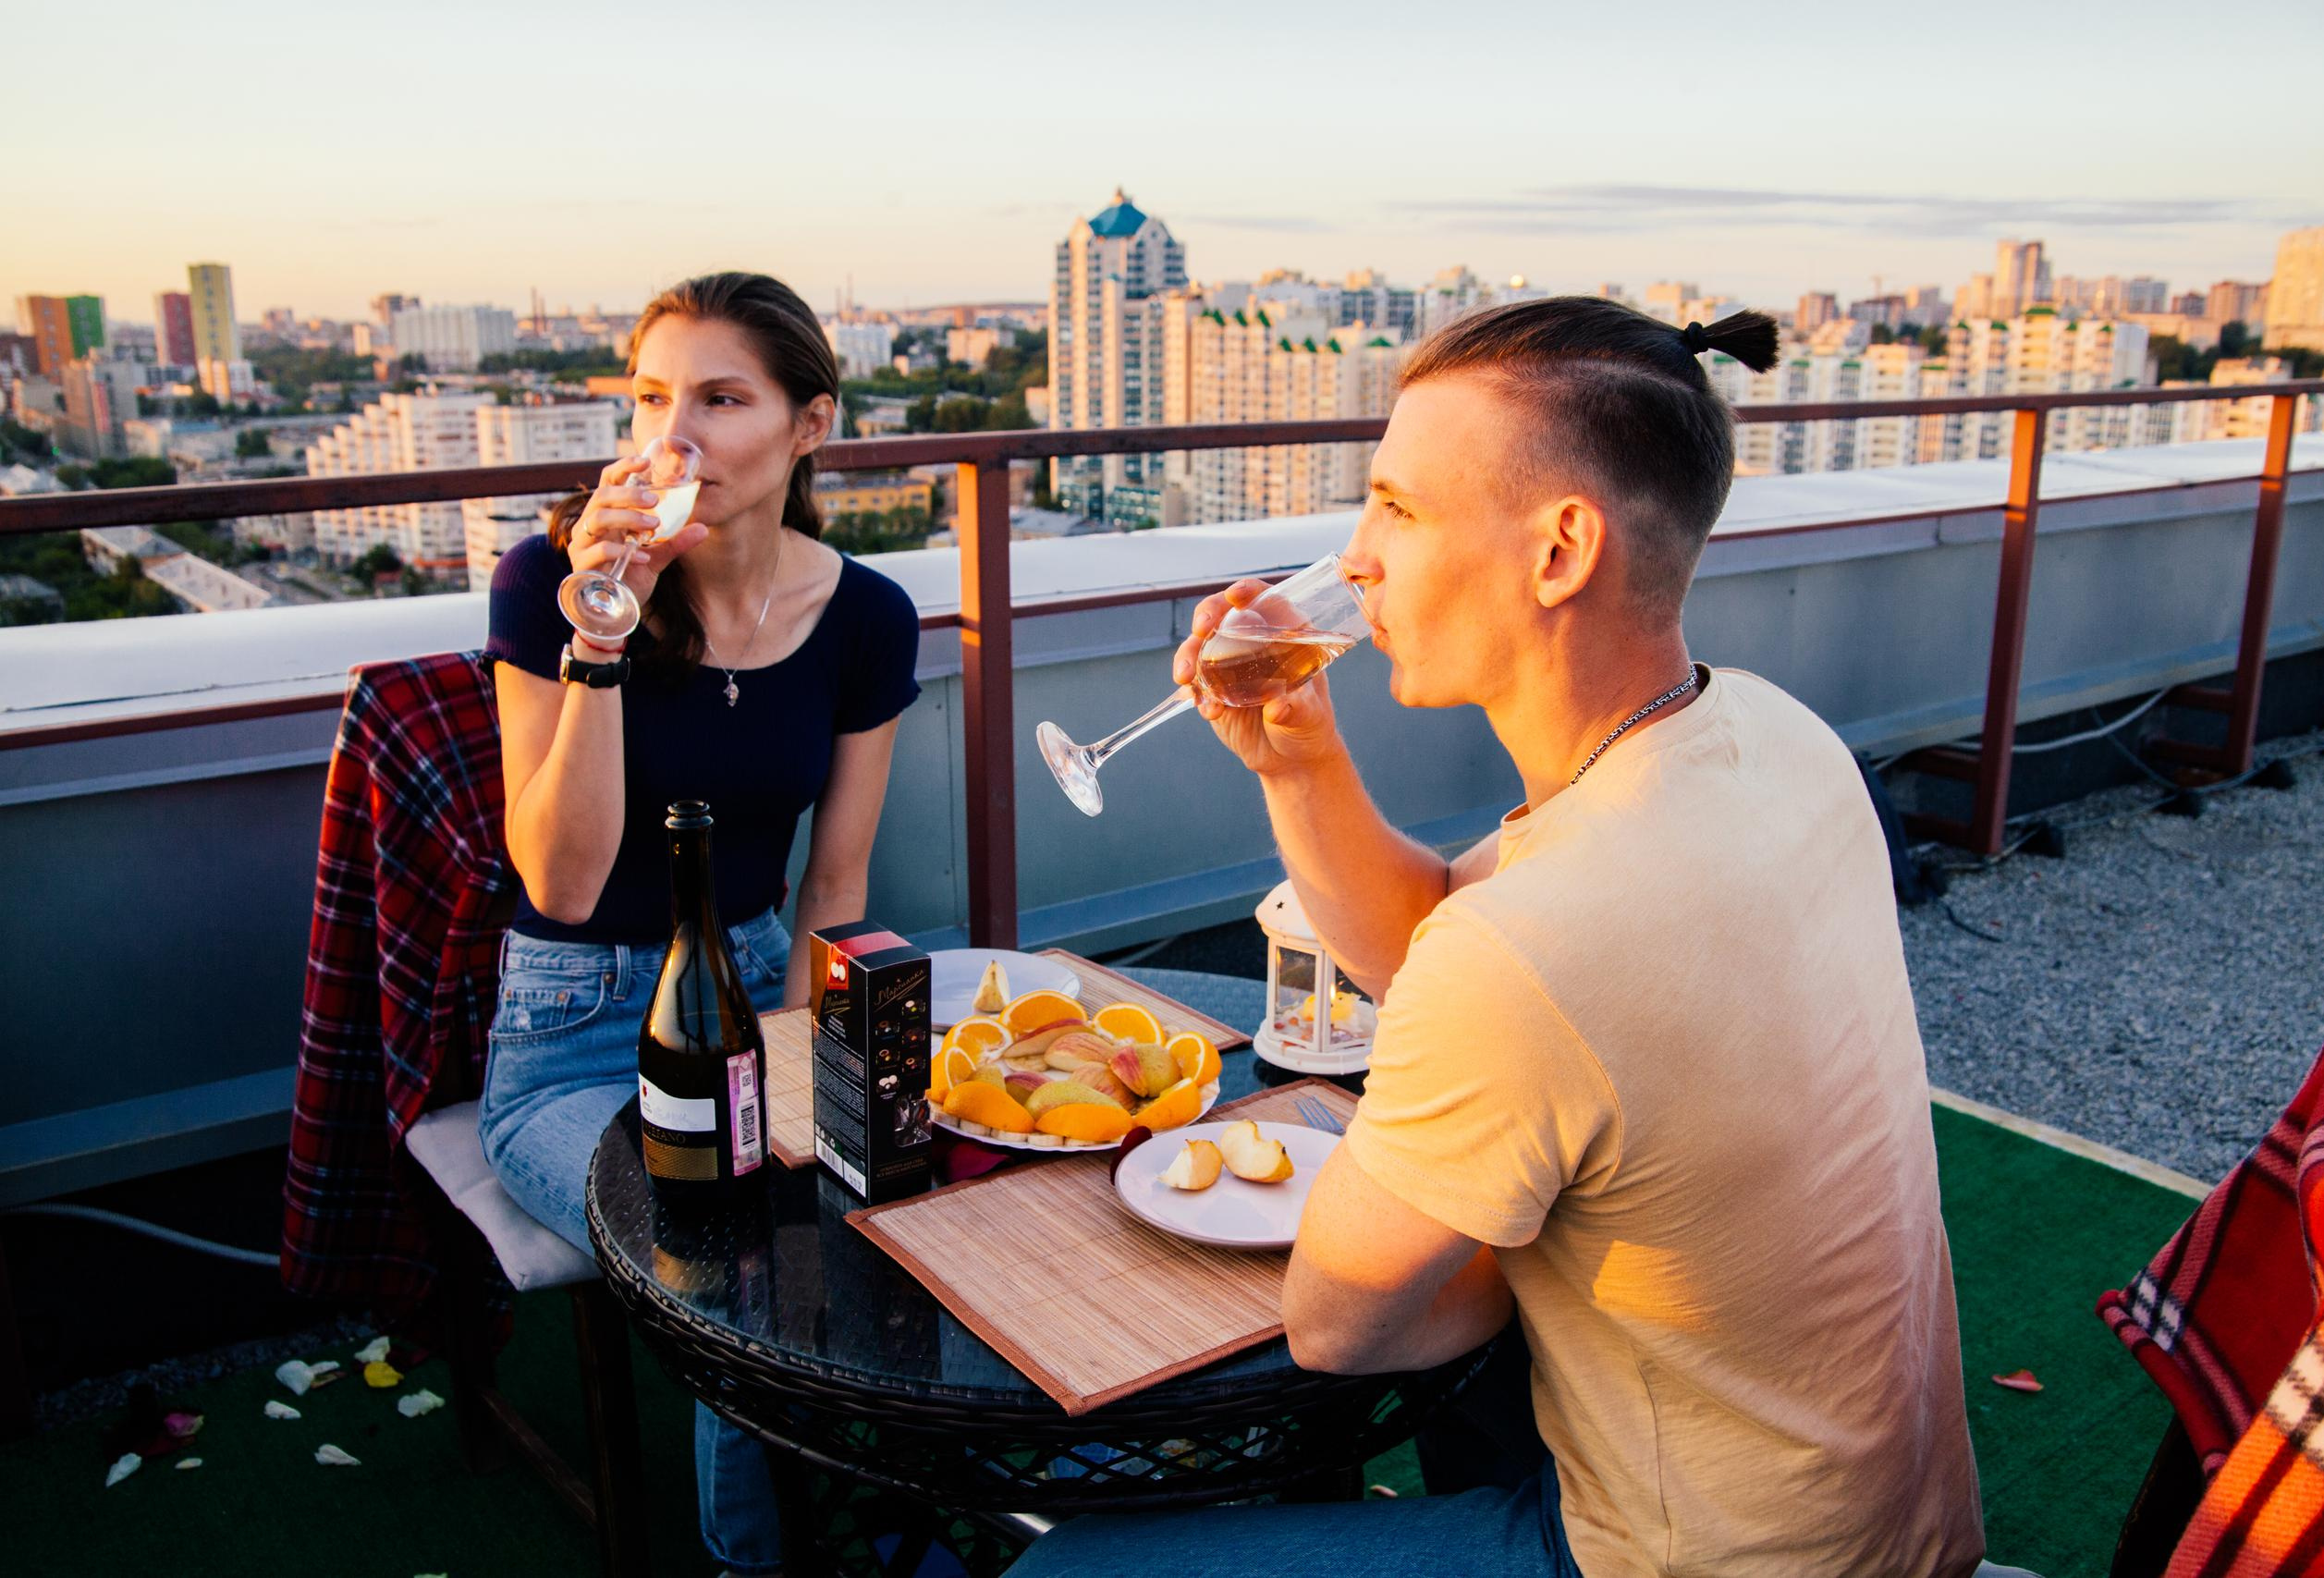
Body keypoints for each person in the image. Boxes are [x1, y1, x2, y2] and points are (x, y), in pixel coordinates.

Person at [1008, 299, 1987, 1577]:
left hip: (1705, 1558)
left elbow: (1336, 1328)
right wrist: (1296, 758)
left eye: (1397, 509)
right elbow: (1446, 948)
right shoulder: (1769, 735)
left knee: (1063, 1575)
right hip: (1891, 1526)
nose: (1355, 558)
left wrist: (1443, 1197)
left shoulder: (1536, 948)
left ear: (1559, 550)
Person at [476, 271, 921, 1577]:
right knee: (738, 1268)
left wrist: (798, 1086)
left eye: (722, 399)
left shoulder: (865, 618)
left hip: (763, 991)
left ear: (808, 425)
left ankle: (891, 1496)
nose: (674, 437)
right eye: (653, 399)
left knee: (884, 1204)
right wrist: (600, 630)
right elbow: (561, 881)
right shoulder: (547, 583)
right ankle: (756, 1565)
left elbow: (836, 890)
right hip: (569, 1033)